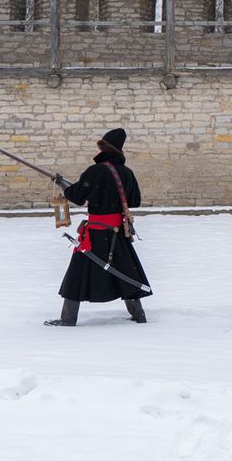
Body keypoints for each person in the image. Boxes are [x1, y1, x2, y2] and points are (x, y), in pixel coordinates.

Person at [44, 128, 151, 327]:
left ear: (103, 149)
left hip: (95, 233)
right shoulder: (127, 173)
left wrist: (62, 185)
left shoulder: (96, 171)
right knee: (126, 272)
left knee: (77, 274)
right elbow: (134, 200)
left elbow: (76, 196)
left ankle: (68, 319)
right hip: (118, 232)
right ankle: (138, 314)